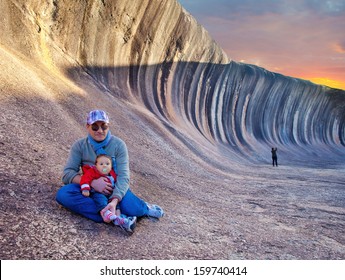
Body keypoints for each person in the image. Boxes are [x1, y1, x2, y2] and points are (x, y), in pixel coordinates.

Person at [56, 109, 164, 233]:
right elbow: (67, 174)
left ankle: (142, 208)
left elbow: (123, 176)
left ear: (108, 126)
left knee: (134, 209)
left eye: (104, 126)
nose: (100, 131)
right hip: (89, 188)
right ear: (87, 126)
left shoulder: (118, 145)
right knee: (63, 195)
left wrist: (114, 200)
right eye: (95, 127)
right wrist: (93, 183)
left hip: (114, 187)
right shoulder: (79, 146)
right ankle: (114, 217)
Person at [80, 154, 136, 232]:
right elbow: (85, 178)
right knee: (100, 200)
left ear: (111, 166)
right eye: (101, 164)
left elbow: (118, 182)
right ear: (96, 165)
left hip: (110, 194)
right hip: (98, 192)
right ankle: (106, 212)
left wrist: (116, 193)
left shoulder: (112, 173)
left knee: (117, 205)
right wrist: (85, 189)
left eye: (107, 164)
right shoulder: (93, 171)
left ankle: (118, 217)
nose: (104, 166)